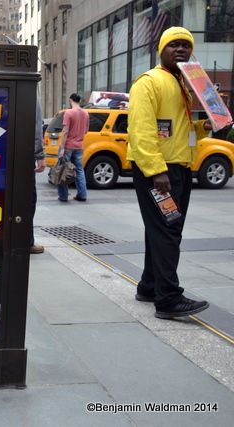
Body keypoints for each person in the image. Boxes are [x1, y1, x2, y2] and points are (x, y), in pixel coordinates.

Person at [128, 26, 211, 319]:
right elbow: (141, 130)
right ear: (160, 50)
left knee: (161, 230)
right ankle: (168, 299)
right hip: (159, 173)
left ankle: (149, 286)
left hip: (179, 168)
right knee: (168, 230)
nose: (180, 50)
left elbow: (179, 129)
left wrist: (204, 127)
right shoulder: (148, 82)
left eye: (185, 45)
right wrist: (156, 170)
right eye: (173, 45)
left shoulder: (184, 83)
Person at [57, 93, 89, 202]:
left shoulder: (68, 113)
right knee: (79, 170)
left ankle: (63, 196)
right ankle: (82, 195)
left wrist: (62, 148)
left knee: (63, 170)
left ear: (71, 100)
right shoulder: (86, 113)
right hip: (79, 146)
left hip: (68, 146)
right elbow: (86, 131)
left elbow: (65, 131)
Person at [30, 99, 46, 254]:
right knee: (28, 198)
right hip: (23, 149)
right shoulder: (32, 89)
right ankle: (27, 241)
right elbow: (35, 124)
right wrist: (39, 154)